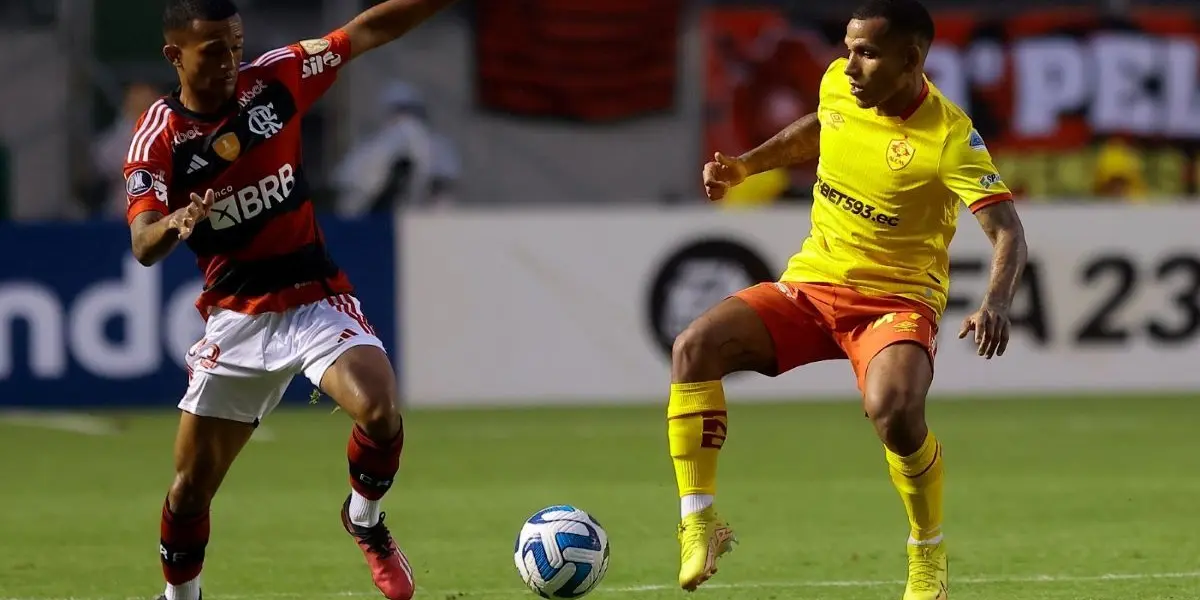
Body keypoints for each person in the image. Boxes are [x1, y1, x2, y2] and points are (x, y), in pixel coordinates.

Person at [670, 1, 1028, 598]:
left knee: (895, 411)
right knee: (694, 347)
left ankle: (927, 555)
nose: (849, 64)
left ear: (911, 59)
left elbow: (1008, 231)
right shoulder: (839, 83)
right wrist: (745, 167)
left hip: (896, 299)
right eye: (847, 48)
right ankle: (700, 524)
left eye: (866, 52)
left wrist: (995, 302)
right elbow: (819, 126)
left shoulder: (949, 136)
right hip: (813, 283)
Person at [121, 1, 458, 599]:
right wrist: (173, 221)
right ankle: (181, 597)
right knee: (189, 489)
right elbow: (143, 244)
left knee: (379, 408)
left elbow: (365, 30)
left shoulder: (276, 80)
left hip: (312, 297)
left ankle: (364, 519)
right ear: (175, 55)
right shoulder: (160, 137)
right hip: (236, 320)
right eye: (213, 50)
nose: (230, 61)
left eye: (236, 43)